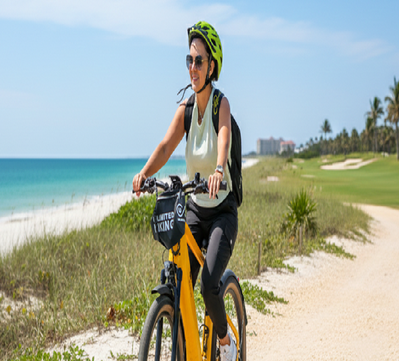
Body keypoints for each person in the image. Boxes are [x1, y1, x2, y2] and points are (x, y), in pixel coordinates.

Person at [132, 21, 237, 361]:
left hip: (221, 211)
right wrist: (145, 174)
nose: (192, 68)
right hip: (194, 209)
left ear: (212, 67)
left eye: (199, 61)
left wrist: (219, 169)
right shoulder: (186, 109)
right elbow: (165, 146)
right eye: (189, 61)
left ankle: (224, 341)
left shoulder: (221, 104)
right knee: (179, 286)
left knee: (208, 284)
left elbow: (223, 137)